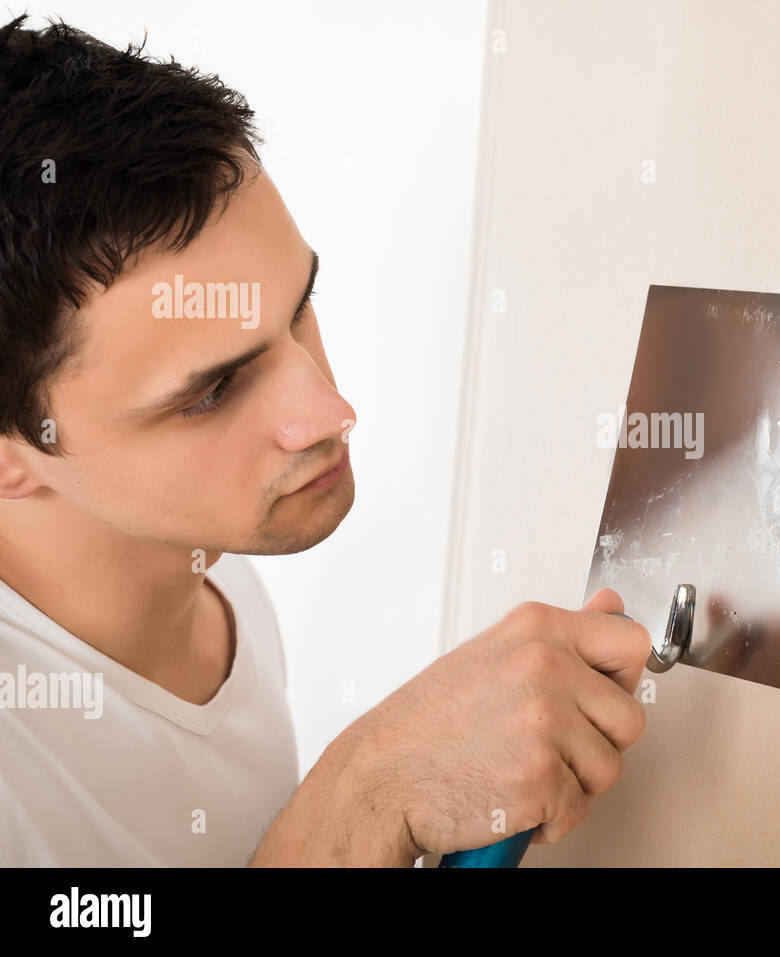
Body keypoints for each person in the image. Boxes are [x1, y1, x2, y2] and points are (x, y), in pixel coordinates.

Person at [0, 14, 649, 866]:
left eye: (300, 307)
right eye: (213, 391)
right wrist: (363, 796)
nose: (330, 410)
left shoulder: (201, 560)